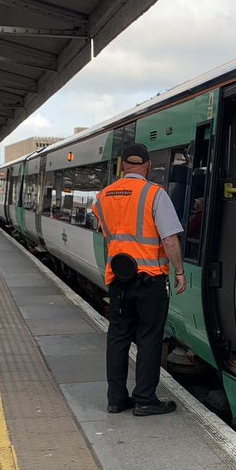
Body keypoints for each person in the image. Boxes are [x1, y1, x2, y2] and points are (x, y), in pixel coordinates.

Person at [92, 143, 186, 417]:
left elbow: (109, 234)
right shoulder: (154, 194)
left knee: (118, 336)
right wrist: (179, 270)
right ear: (146, 166)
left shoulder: (103, 196)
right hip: (151, 279)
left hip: (119, 280)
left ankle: (116, 399)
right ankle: (145, 399)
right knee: (149, 337)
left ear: (122, 166)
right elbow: (169, 238)